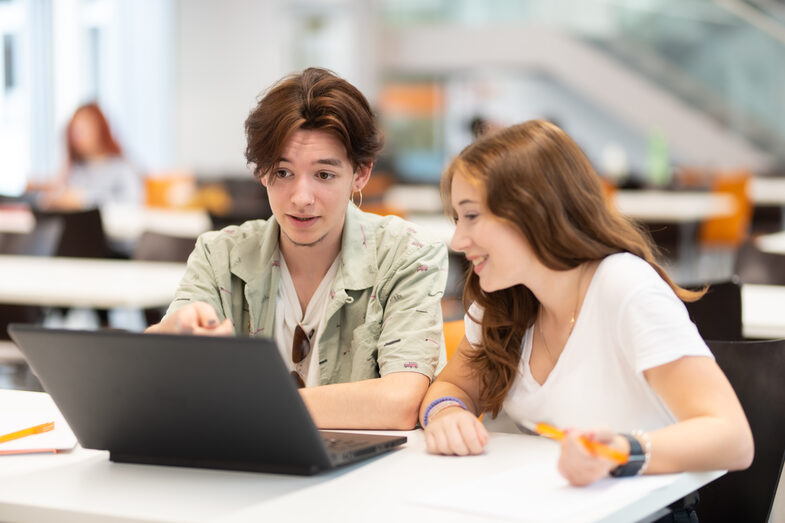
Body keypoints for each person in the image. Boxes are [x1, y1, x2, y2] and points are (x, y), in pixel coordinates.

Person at [420, 120, 753, 493]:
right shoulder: (503, 299)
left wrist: (623, 452)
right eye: (456, 219)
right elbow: (451, 387)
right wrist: (447, 413)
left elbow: (734, 439)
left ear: (533, 210)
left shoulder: (624, 287)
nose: (458, 239)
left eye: (471, 216)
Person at [147, 68, 448, 430]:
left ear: (361, 174)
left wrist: (255, 403)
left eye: (324, 175)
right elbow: (154, 377)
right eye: (283, 173)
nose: (301, 198)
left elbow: (401, 401)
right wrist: (175, 331)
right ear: (261, 172)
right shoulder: (222, 255)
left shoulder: (406, 255)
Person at [32, 102, 143, 210]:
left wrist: (84, 200)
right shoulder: (77, 170)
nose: (77, 137)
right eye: (74, 131)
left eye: (83, 129)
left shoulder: (122, 167)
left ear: (100, 129)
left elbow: (132, 204)